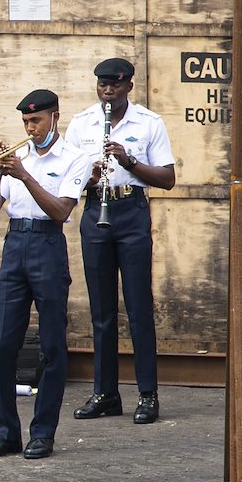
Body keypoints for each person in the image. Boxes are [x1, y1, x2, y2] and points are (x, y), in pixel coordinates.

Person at [0, 89, 94, 460]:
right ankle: (5, 432)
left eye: (37, 120)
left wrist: (24, 173)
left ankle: (43, 432)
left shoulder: (75, 158)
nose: (30, 128)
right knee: (1, 345)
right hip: (15, 244)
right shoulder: (18, 159)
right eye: (26, 122)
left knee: (51, 345)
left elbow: (60, 211)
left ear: (55, 117)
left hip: (47, 245)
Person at [66, 57, 177, 425]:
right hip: (95, 209)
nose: (107, 91)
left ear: (129, 85)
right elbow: (65, 180)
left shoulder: (148, 122)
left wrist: (129, 162)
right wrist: (88, 176)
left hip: (130, 211)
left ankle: (148, 394)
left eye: (114, 85)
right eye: (102, 85)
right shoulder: (82, 123)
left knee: (138, 305)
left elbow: (166, 178)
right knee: (101, 310)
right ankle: (105, 393)